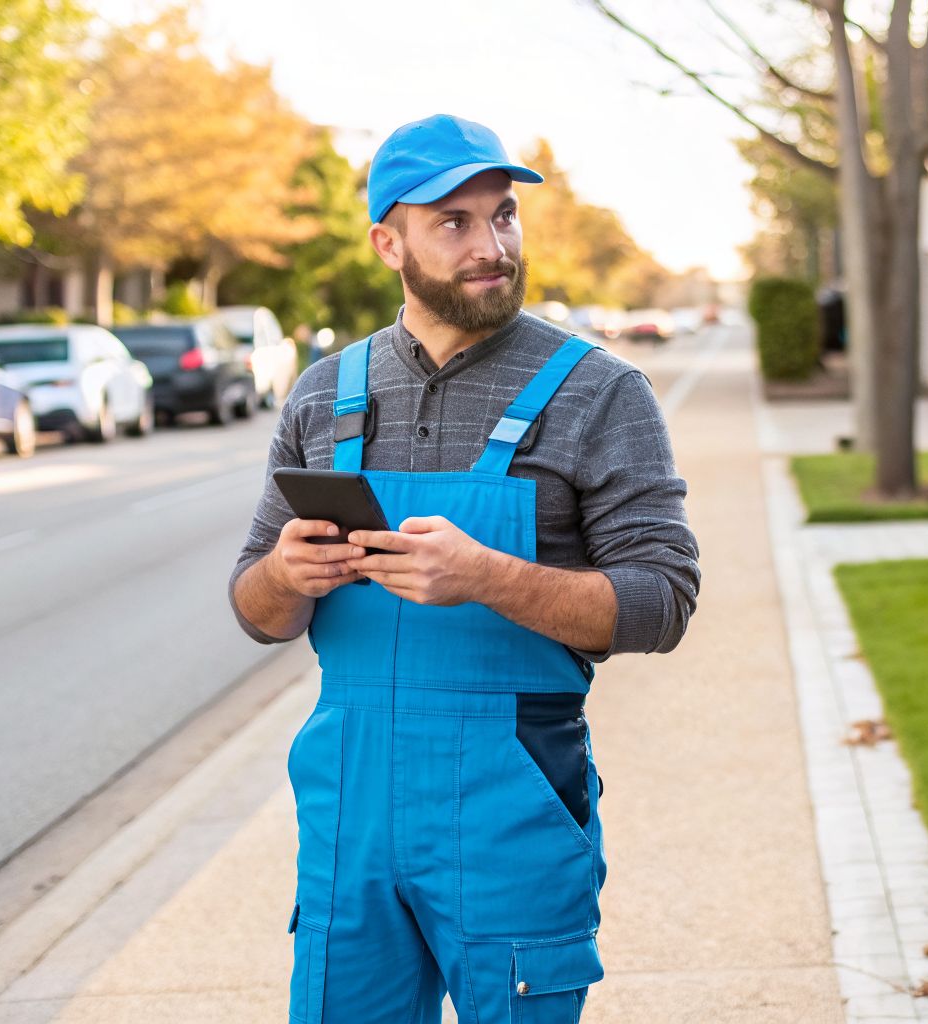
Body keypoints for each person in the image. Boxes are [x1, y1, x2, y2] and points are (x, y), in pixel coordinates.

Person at [227, 113, 700, 1024]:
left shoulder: (601, 391)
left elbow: (664, 600)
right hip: (349, 813)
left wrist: (490, 578)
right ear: (387, 242)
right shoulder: (325, 394)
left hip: (512, 802)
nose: (492, 246)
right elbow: (254, 607)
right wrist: (287, 573)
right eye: (454, 222)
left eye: (504, 217)